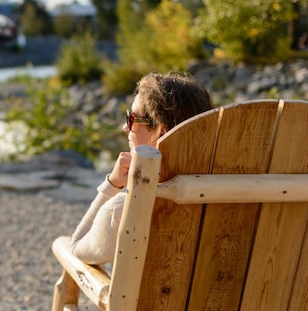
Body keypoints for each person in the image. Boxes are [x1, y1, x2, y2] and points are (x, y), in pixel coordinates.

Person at [70, 72, 213, 266]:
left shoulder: (123, 208)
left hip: (141, 298)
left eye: (131, 118)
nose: (124, 127)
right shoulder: (233, 193)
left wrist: (112, 185)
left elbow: (77, 248)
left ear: (160, 130)